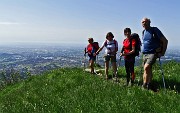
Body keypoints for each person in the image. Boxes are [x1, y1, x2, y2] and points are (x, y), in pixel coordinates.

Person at [141, 17, 168, 89]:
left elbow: (165, 41)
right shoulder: (143, 32)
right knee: (147, 69)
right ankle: (149, 84)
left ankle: (144, 85)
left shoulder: (154, 30)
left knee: (146, 67)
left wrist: (162, 53)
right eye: (143, 22)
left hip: (153, 53)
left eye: (146, 22)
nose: (144, 23)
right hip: (145, 53)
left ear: (149, 22)